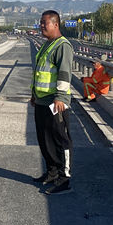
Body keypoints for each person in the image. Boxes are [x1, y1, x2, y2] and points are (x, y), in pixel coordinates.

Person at [30, 10, 74, 195]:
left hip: (56, 102)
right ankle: (51, 172)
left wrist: (60, 98)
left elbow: (64, 74)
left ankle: (64, 180)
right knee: (44, 139)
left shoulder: (62, 46)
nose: (41, 25)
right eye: (40, 22)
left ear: (55, 24)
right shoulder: (47, 45)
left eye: (44, 23)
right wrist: (34, 95)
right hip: (41, 101)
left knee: (60, 140)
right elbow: (40, 73)